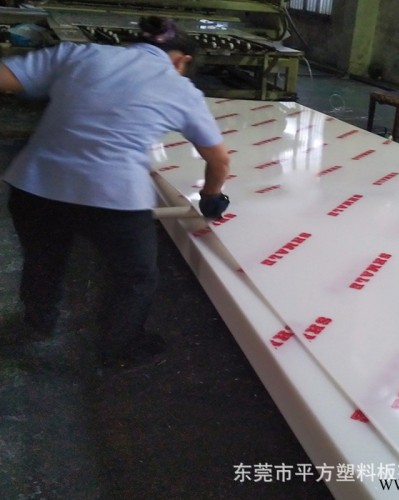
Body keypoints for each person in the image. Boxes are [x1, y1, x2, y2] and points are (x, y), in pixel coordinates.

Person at [0, 16, 230, 368]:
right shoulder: (180, 88)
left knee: (43, 261)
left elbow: (6, 76)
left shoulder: (79, 54)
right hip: (112, 197)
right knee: (135, 276)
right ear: (181, 60)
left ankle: (38, 324)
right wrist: (211, 198)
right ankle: (118, 349)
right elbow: (219, 160)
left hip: (36, 185)